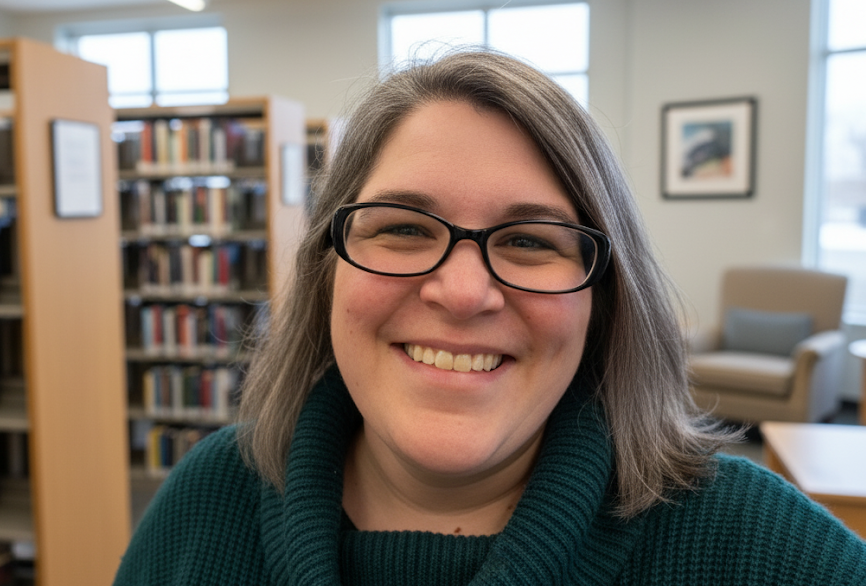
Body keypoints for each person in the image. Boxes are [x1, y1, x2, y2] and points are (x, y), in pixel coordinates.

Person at [113, 50, 866, 585]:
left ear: (603, 298)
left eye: (531, 240)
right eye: (403, 227)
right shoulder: (207, 500)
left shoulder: (760, 546)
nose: (463, 292)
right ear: (326, 267)